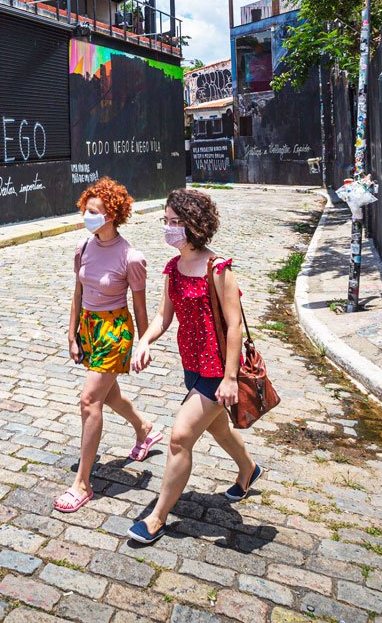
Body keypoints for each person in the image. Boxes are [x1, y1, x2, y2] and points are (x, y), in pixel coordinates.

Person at [126, 188, 260, 542]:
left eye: (175, 222)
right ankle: (248, 469)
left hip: (218, 369)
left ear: (195, 225)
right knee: (216, 429)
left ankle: (156, 518)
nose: (169, 228)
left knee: (181, 436)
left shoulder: (218, 269)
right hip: (192, 364)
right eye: (166, 222)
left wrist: (230, 378)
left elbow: (235, 326)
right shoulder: (173, 267)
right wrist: (145, 340)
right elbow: (162, 316)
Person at [55, 177, 164, 513]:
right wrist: (72, 335)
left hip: (115, 331)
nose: (86, 216)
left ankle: (83, 484)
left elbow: (140, 306)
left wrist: (143, 343)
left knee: (90, 400)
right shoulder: (84, 248)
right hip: (89, 326)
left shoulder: (131, 257)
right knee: (108, 394)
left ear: (112, 215)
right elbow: (78, 293)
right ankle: (144, 429)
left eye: (93, 212)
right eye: (85, 209)